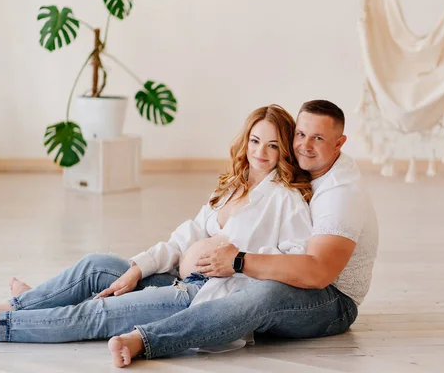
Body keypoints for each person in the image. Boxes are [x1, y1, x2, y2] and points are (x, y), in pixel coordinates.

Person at [0, 105, 314, 344]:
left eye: (272, 145)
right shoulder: (231, 186)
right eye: (255, 141)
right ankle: (23, 303)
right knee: (98, 265)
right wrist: (138, 269)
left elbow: (294, 265)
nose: (261, 152)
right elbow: (184, 236)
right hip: (177, 275)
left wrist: (238, 260)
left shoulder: (287, 199)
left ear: (284, 150)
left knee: (98, 313)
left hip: (201, 296)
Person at [107, 99, 379, 368]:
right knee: (109, 269)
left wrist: (238, 261)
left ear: (339, 143)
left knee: (265, 294)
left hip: (333, 301)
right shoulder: (274, 178)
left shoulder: (340, 194)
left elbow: (319, 273)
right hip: (271, 277)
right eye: (300, 134)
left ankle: (147, 340)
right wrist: (144, 265)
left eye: (317, 138)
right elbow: (198, 227)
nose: (305, 146)